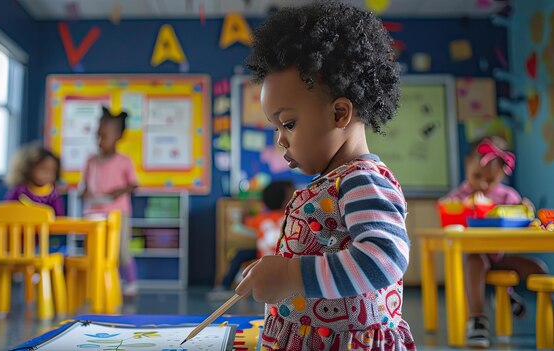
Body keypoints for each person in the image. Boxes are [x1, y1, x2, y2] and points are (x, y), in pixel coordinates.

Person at [235, 2, 415, 349]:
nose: (280, 139)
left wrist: (290, 275)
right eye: (275, 127)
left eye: (288, 123)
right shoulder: (335, 181)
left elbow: (384, 259)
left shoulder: (363, 179)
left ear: (339, 113)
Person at [445, 136, 548, 348]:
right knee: (476, 262)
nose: (482, 184)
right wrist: (455, 207)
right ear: (467, 165)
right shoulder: (460, 195)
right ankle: (477, 320)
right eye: (477, 176)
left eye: (491, 180)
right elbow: (449, 214)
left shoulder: (507, 196)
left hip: (501, 257)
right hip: (477, 258)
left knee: (538, 267)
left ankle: (530, 303)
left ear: (502, 175)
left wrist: (525, 209)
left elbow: (524, 219)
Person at [82, 106, 139, 297]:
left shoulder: (124, 161)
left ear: (117, 136)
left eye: (104, 136)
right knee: (97, 252)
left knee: (120, 251)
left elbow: (133, 185)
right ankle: (100, 285)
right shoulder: (91, 161)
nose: (99, 140)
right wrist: (86, 194)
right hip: (93, 213)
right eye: (97, 135)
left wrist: (119, 191)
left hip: (118, 212)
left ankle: (130, 284)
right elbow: (84, 187)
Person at [209, 180, 295, 301]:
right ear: (286, 200)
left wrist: (250, 201)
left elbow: (243, 219)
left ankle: (224, 286)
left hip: (264, 255)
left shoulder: (261, 218)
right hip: (284, 256)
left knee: (239, 254)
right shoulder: (290, 217)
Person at [4, 143, 65, 253]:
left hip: (41, 245)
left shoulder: (52, 194)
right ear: (28, 168)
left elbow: (59, 218)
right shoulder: (19, 190)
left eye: (52, 171)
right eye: (43, 169)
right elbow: (7, 212)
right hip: (16, 244)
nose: (47, 174)